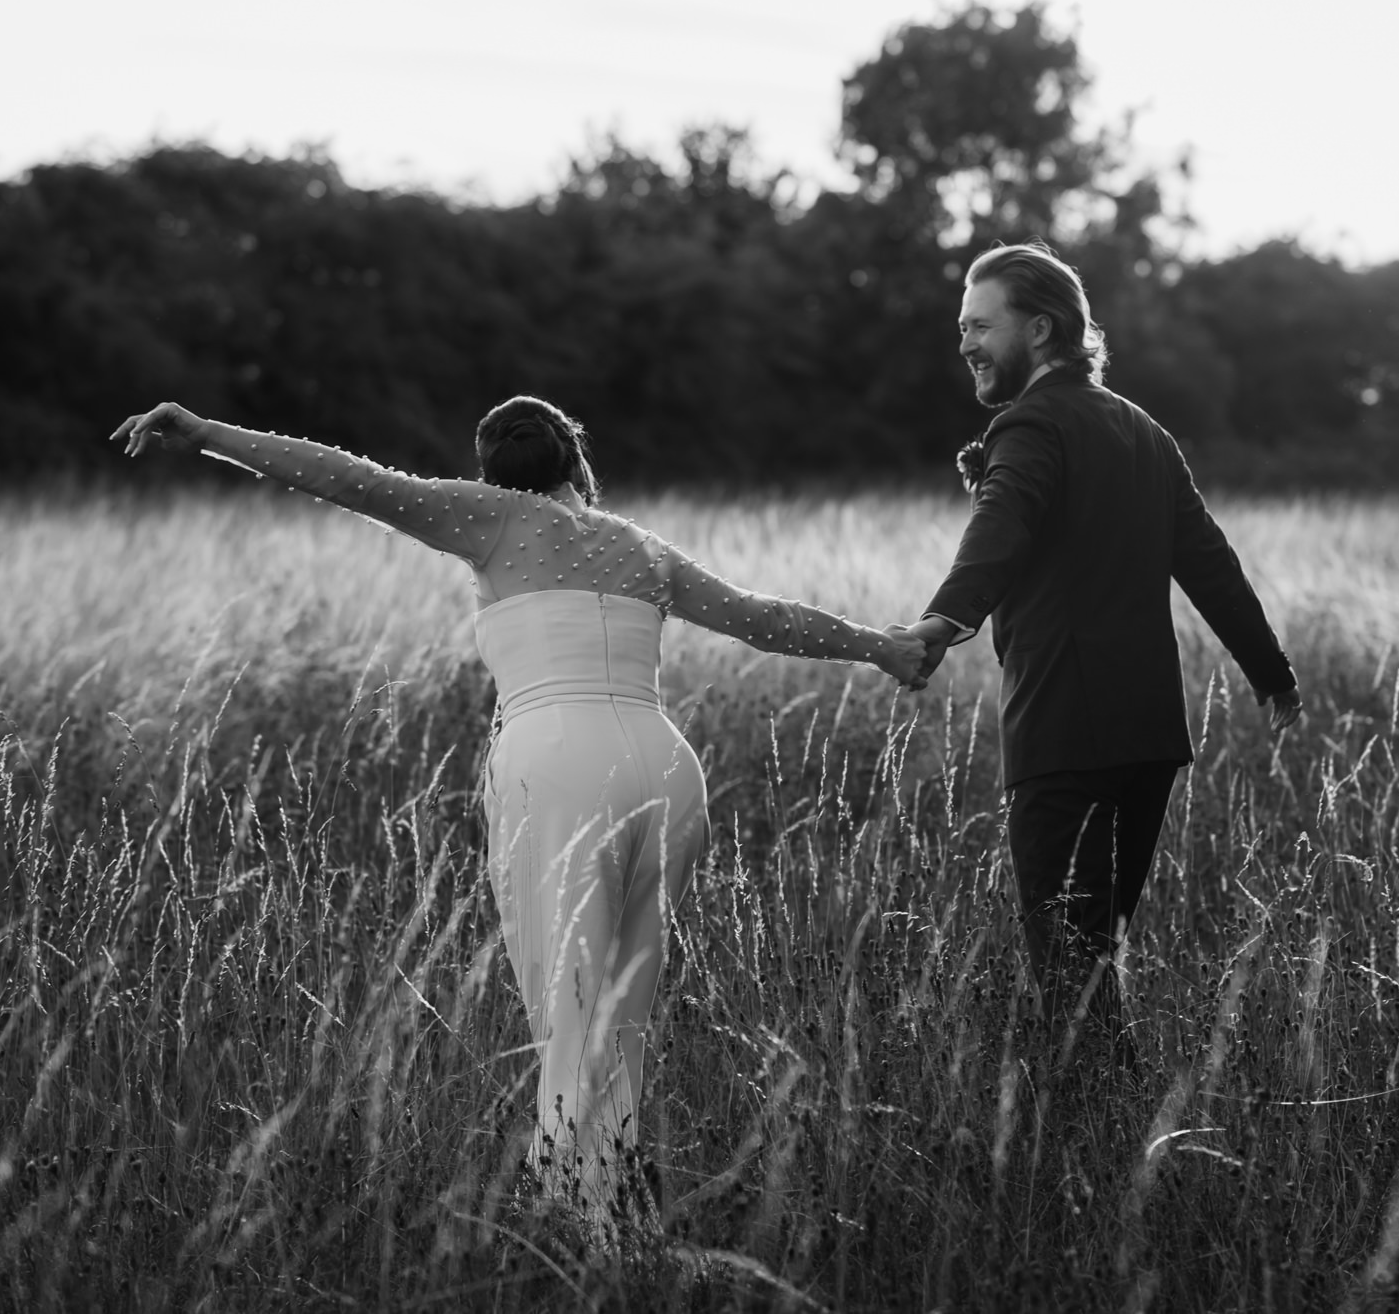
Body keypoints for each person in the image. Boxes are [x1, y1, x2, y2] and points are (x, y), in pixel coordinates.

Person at [113, 397, 925, 1208]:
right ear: (577, 461)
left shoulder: (489, 517)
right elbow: (766, 620)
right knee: (621, 1015)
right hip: (665, 768)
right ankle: (608, 1208)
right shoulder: (641, 548)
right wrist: (884, 647)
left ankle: (575, 1220)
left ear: (489, 466)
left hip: (557, 765)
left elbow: (346, 477)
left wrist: (209, 434)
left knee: (569, 1007)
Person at [905, 241, 1302, 1033]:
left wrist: (940, 623)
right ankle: (1118, 1127)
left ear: (1043, 330)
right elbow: (1212, 567)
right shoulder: (1144, 431)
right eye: (961, 327)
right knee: (1095, 958)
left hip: (1064, 729)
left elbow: (1000, 528)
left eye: (981, 325)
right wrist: (1272, 676)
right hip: (1148, 737)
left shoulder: (1031, 425)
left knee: (1068, 972)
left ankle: (1092, 1141)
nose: (965, 343)